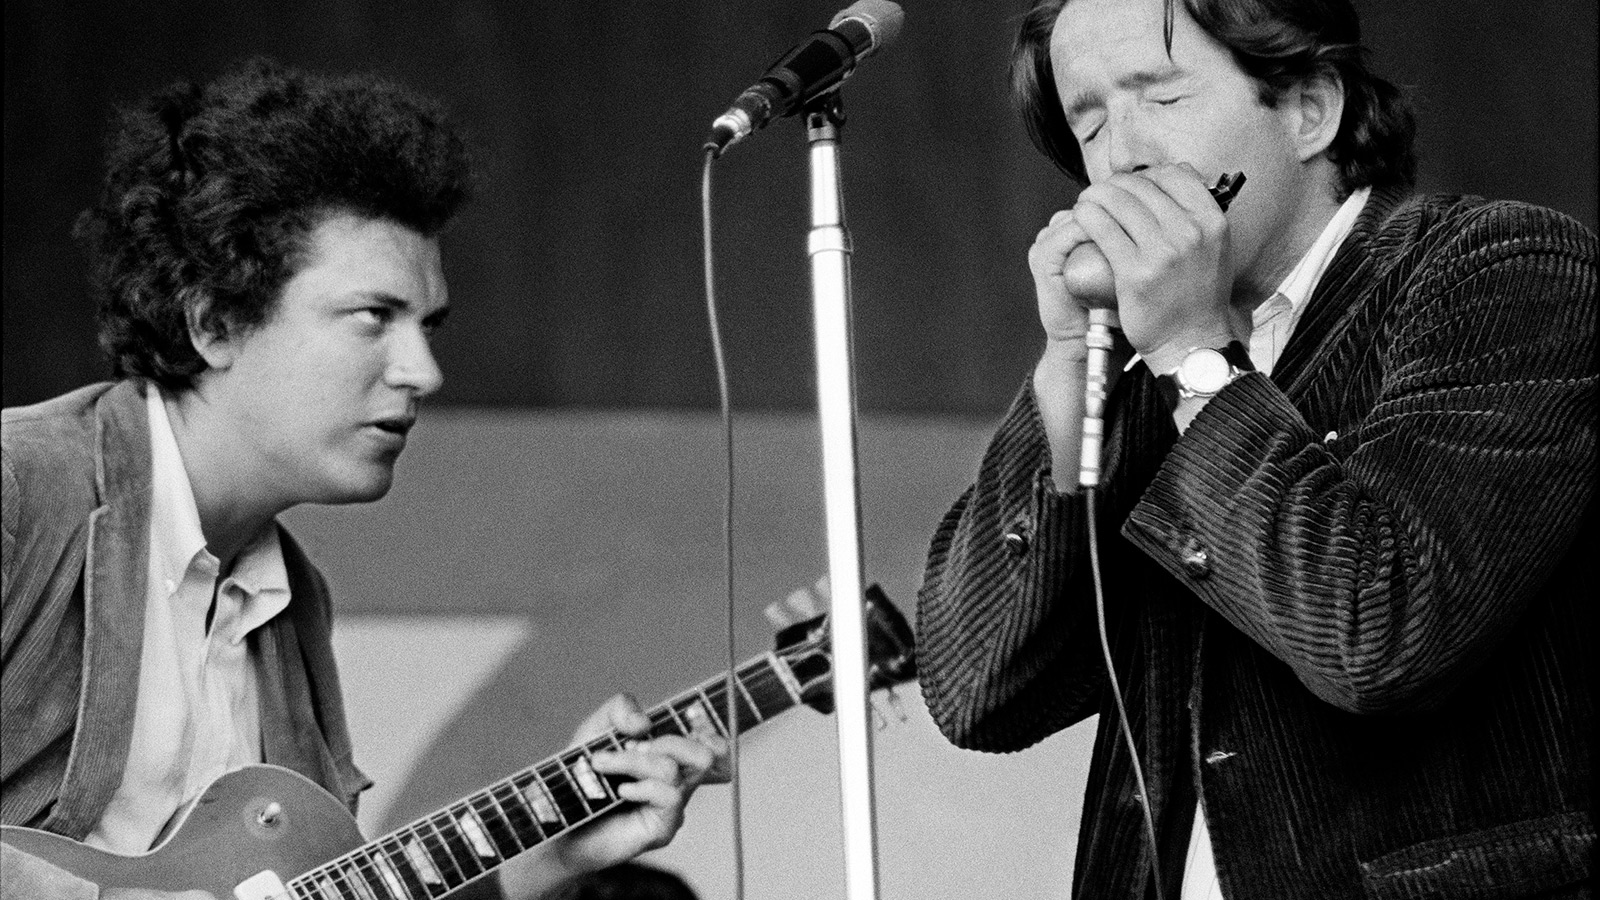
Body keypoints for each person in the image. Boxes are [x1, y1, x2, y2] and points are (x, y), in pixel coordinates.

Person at [915, 0, 1595, 898]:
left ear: (1310, 108)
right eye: (1090, 121)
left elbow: (1379, 632)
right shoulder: (1136, 366)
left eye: (1159, 99)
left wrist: (1198, 358)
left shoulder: (1502, 269)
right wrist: (1071, 379)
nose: (1121, 155)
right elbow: (978, 692)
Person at [0, 59, 723, 900]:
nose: (423, 371)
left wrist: (546, 859)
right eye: (374, 318)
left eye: (429, 325)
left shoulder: (292, 605)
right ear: (215, 321)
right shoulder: (21, 492)